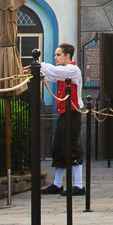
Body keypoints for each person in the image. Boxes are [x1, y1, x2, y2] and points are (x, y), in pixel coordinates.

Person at [39, 43, 85, 196]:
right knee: (58, 148)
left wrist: (39, 65)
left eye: (58, 55)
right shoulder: (63, 72)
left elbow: (54, 71)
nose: (55, 58)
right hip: (63, 114)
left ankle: (79, 185)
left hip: (72, 114)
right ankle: (57, 183)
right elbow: (51, 75)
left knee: (71, 147)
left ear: (67, 56)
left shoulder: (72, 70)